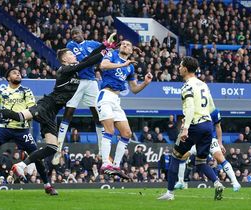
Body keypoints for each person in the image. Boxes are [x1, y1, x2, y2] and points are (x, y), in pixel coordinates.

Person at [0, 34, 117, 181]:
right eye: (70, 53)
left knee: (52, 148)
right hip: (45, 105)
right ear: (65, 59)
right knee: (20, 116)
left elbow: (88, 59)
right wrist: (104, 51)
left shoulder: (74, 68)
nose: (73, 54)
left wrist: (104, 45)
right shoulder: (64, 70)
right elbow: (87, 63)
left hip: (52, 113)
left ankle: (21, 165)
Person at [0, 67, 57, 195]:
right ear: (8, 78)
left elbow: (32, 108)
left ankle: (47, 185)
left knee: (36, 156)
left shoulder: (26, 91)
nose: (18, 74)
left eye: (19, 72)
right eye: (15, 73)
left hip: (22, 129)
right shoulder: (1, 92)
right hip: (3, 128)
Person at [158, 56, 224, 201]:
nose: (179, 68)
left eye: (180, 66)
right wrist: (215, 126)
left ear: (186, 69)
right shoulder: (203, 85)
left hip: (194, 125)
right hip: (207, 125)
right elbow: (212, 107)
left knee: (175, 156)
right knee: (201, 162)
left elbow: (190, 107)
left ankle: (169, 193)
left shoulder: (187, 86)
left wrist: (186, 128)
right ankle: (217, 183)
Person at [97, 39, 153, 177]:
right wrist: (122, 64)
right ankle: (105, 163)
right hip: (105, 96)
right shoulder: (112, 55)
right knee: (109, 130)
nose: (125, 45)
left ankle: (115, 165)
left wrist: (145, 83)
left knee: (127, 133)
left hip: (116, 100)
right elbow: (103, 65)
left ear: (131, 50)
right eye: (123, 44)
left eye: (128, 44)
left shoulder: (130, 67)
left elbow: (134, 89)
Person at [53, 27, 106, 164]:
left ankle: (102, 150)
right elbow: (85, 60)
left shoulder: (92, 44)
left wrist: (107, 46)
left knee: (97, 114)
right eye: (72, 34)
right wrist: (99, 53)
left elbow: (100, 51)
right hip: (77, 81)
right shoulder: (71, 45)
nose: (75, 36)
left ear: (83, 34)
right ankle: (58, 148)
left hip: (91, 82)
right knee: (69, 112)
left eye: (77, 33)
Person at [175, 109, 241, 192]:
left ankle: (235, 182)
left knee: (220, 158)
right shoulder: (193, 109)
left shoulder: (213, 111)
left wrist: (220, 143)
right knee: (183, 157)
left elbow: (218, 126)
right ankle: (181, 181)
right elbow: (186, 124)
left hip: (209, 139)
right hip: (196, 140)